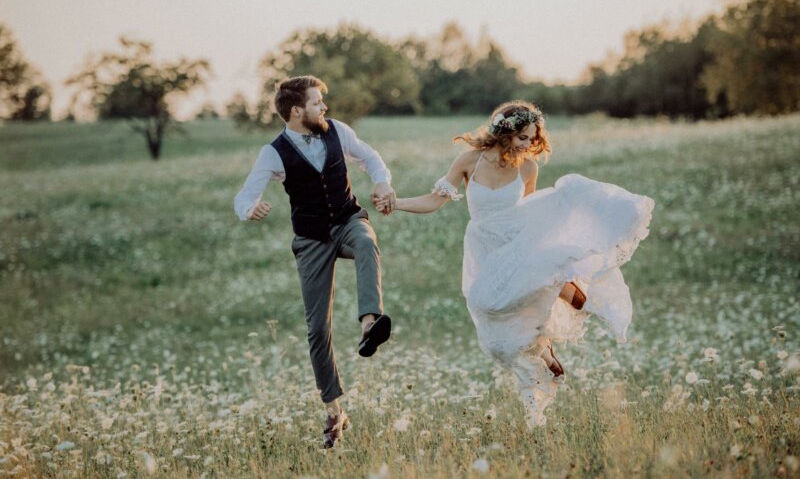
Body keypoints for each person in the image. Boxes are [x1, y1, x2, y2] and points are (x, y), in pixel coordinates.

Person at [377, 101, 654, 427]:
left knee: (527, 296)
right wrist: (397, 204)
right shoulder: (469, 160)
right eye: (523, 137)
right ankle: (545, 347)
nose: (528, 144)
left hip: (516, 243)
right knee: (487, 309)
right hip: (484, 246)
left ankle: (569, 297)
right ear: (504, 131)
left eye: (532, 138)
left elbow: (530, 209)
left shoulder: (527, 167)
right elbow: (435, 200)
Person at [233, 75, 395, 448]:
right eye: (317, 102)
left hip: (348, 220)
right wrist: (249, 209)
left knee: (368, 243)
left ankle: (370, 324)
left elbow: (369, 157)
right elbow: (245, 194)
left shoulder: (338, 130)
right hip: (311, 240)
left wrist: (382, 181)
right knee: (317, 330)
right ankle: (335, 411)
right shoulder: (273, 152)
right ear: (296, 111)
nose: (324, 107)